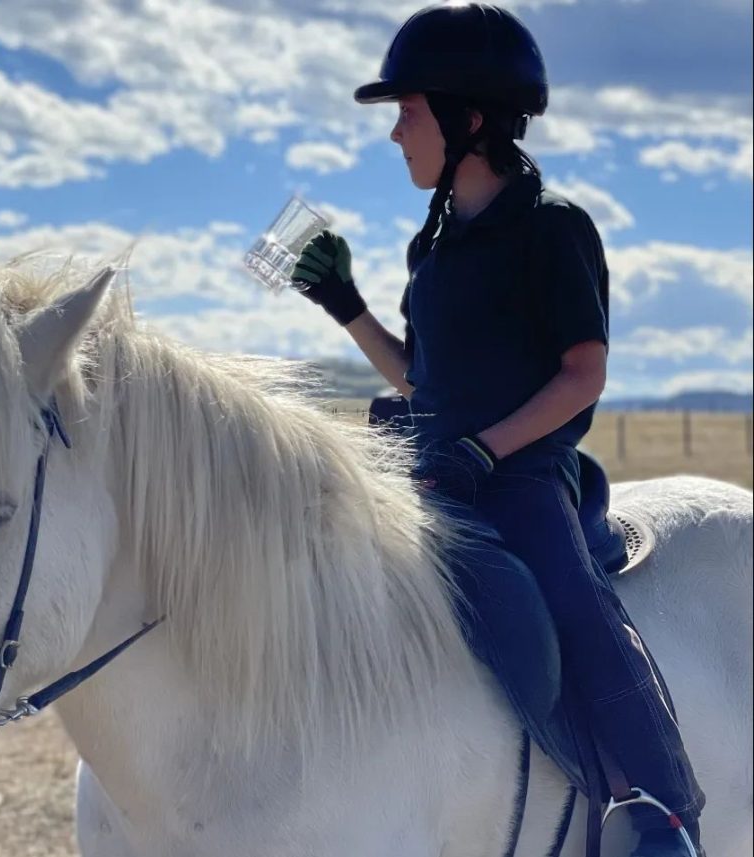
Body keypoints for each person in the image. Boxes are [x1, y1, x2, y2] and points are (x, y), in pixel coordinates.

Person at [290, 4, 705, 855]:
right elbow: (423, 379)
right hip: (438, 469)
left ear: (468, 119)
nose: (396, 134)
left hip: (519, 482)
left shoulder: (553, 228)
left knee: (573, 609)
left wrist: (487, 448)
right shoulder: (432, 250)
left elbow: (582, 375)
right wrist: (349, 309)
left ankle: (660, 811)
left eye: (408, 111)